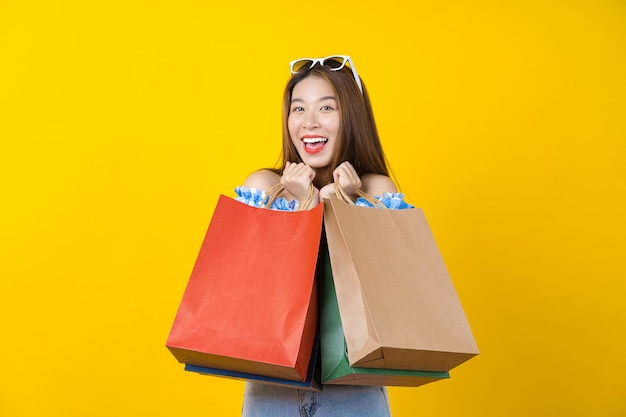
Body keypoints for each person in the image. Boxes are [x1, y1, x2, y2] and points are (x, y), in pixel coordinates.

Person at [238, 55, 401, 416]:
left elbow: (387, 296)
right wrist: (305, 207)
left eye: (327, 107)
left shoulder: (375, 190)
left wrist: (344, 206)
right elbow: (248, 290)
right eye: (299, 109)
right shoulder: (264, 188)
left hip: (355, 387)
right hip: (271, 387)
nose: (309, 122)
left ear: (351, 117)